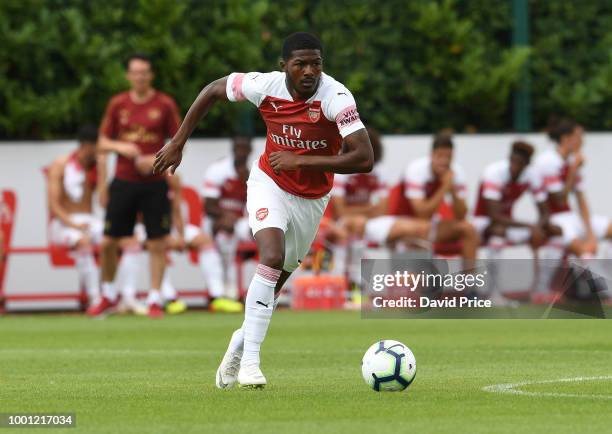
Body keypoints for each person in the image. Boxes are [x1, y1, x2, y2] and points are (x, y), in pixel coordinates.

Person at [153, 32, 373, 388]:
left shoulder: (337, 96)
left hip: (311, 201)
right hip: (268, 183)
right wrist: (178, 141)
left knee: (273, 286)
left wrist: (301, 160)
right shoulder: (263, 86)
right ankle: (251, 365)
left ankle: (239, 343)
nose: (309, 71)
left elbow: (364, 157)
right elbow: (213, 89)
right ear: (283, 66)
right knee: (270, 257)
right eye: (300, 63)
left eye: (316, 63)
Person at [90, 53, 181, 319]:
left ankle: (154, 298)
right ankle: (108, 294)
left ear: (150, 75)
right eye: (135, 72)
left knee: (157, 243)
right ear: (128, 75)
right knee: (108, 242)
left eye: (144, 72)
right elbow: (102, 143)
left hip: (154, 183)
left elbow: (178, 141)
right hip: (124, 182)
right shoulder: (118, 104)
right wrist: (123, 148)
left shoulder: (164, 104)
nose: (140, 77)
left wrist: (155, 159)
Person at [533, 117, 612, 258]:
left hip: (570, 216)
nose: (582, 141)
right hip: (553, 219)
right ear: (566, 138)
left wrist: (591, 234)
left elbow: (581, 198)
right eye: (579, 136)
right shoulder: (547, 161)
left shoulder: (571, 160)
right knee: (585, 250)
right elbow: (560, 200)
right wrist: (573, 170)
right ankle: (594, 278)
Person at [402, 132, 479, 270]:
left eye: (448, 157)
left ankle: (470, 287)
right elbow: (421, 213)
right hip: (408, 225)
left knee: (468, 229)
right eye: (440, 156)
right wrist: (444, 187)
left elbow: (461, 215)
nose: (444, 161)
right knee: (423, 226)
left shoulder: (457, 172)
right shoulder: (416, 170)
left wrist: (453, 190)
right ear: (431, 155)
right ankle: (422, 288)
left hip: (430, 227)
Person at [47, 125, 103, 306]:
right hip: (64, 223)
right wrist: (74, 225)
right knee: (83, 243)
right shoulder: (61, 165)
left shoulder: (97, 166)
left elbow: (103, 202)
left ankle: (123, 297)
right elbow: (54, 206)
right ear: (88, 146)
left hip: (90, 221)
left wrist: (104, 169)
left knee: (124, 239)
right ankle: (95, 300)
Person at [473, 141, 554, 249]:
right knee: (499, 231)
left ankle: (546, 266)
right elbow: (494, 216)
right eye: (512, 161)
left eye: (519, 163)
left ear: (527, 164)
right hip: (483, 221)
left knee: (554, 230)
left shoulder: (531, 175)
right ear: (509, 158)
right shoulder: (494, 172)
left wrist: (538, 227)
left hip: (509, 222)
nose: (514, 167)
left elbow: (545, 212)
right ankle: (494, 266)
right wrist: (530, 226)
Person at [202, 135, 252, 309]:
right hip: (217, 222)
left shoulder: (253, 172)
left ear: (250, 151)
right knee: (225, 235)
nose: (241, 153)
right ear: (233, 149)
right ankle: (228, 292)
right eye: (238, 148)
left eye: (245, 149)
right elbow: (208, 206)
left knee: (264, 232)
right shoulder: (218, 170)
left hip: (243, 222)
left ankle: (254, 292)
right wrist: (225, 217)